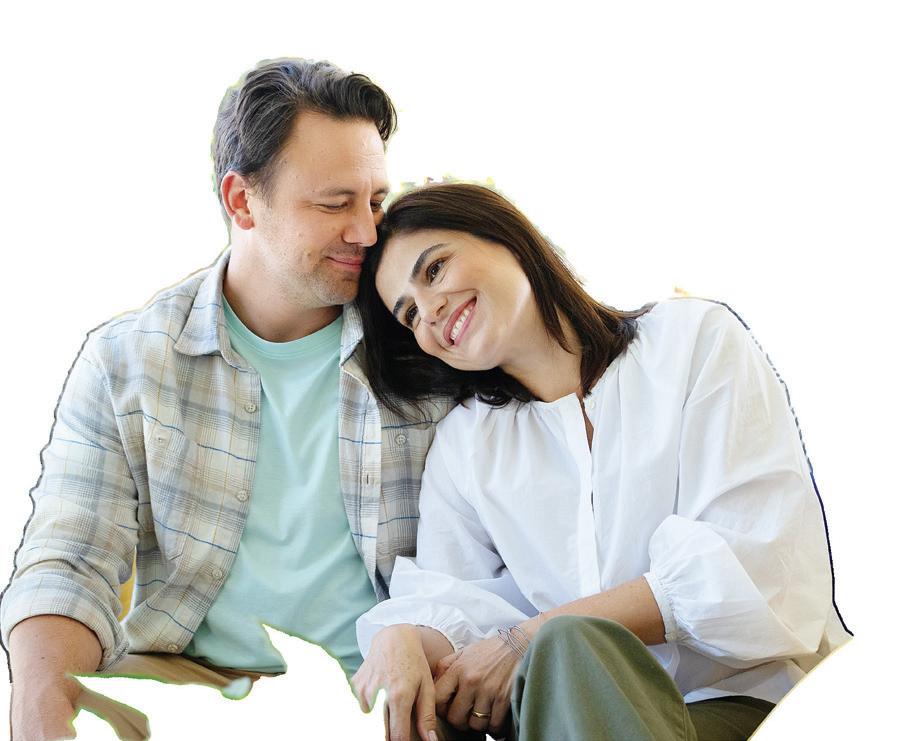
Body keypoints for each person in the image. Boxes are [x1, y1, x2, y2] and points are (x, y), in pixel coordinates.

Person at [0, 58, 449, 741]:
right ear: (242, 201)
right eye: (335, 204)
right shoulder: (127, 360)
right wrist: (39, 696)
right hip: (198, 691)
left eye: (375, 201)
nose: (366, 231)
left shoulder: (428, 344)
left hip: (384, 698)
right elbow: (70, 557)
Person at [351, 182, 852, 741]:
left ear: (505, 235)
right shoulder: (465, 447)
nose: (430, 311)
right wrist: (400, 636)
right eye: (409, 315)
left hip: (749, 709)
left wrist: (535, 635)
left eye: (435, 269)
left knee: (568, 645)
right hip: (573, 721)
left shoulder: (692, 342)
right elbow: (456, 606)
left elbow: (757, 564)